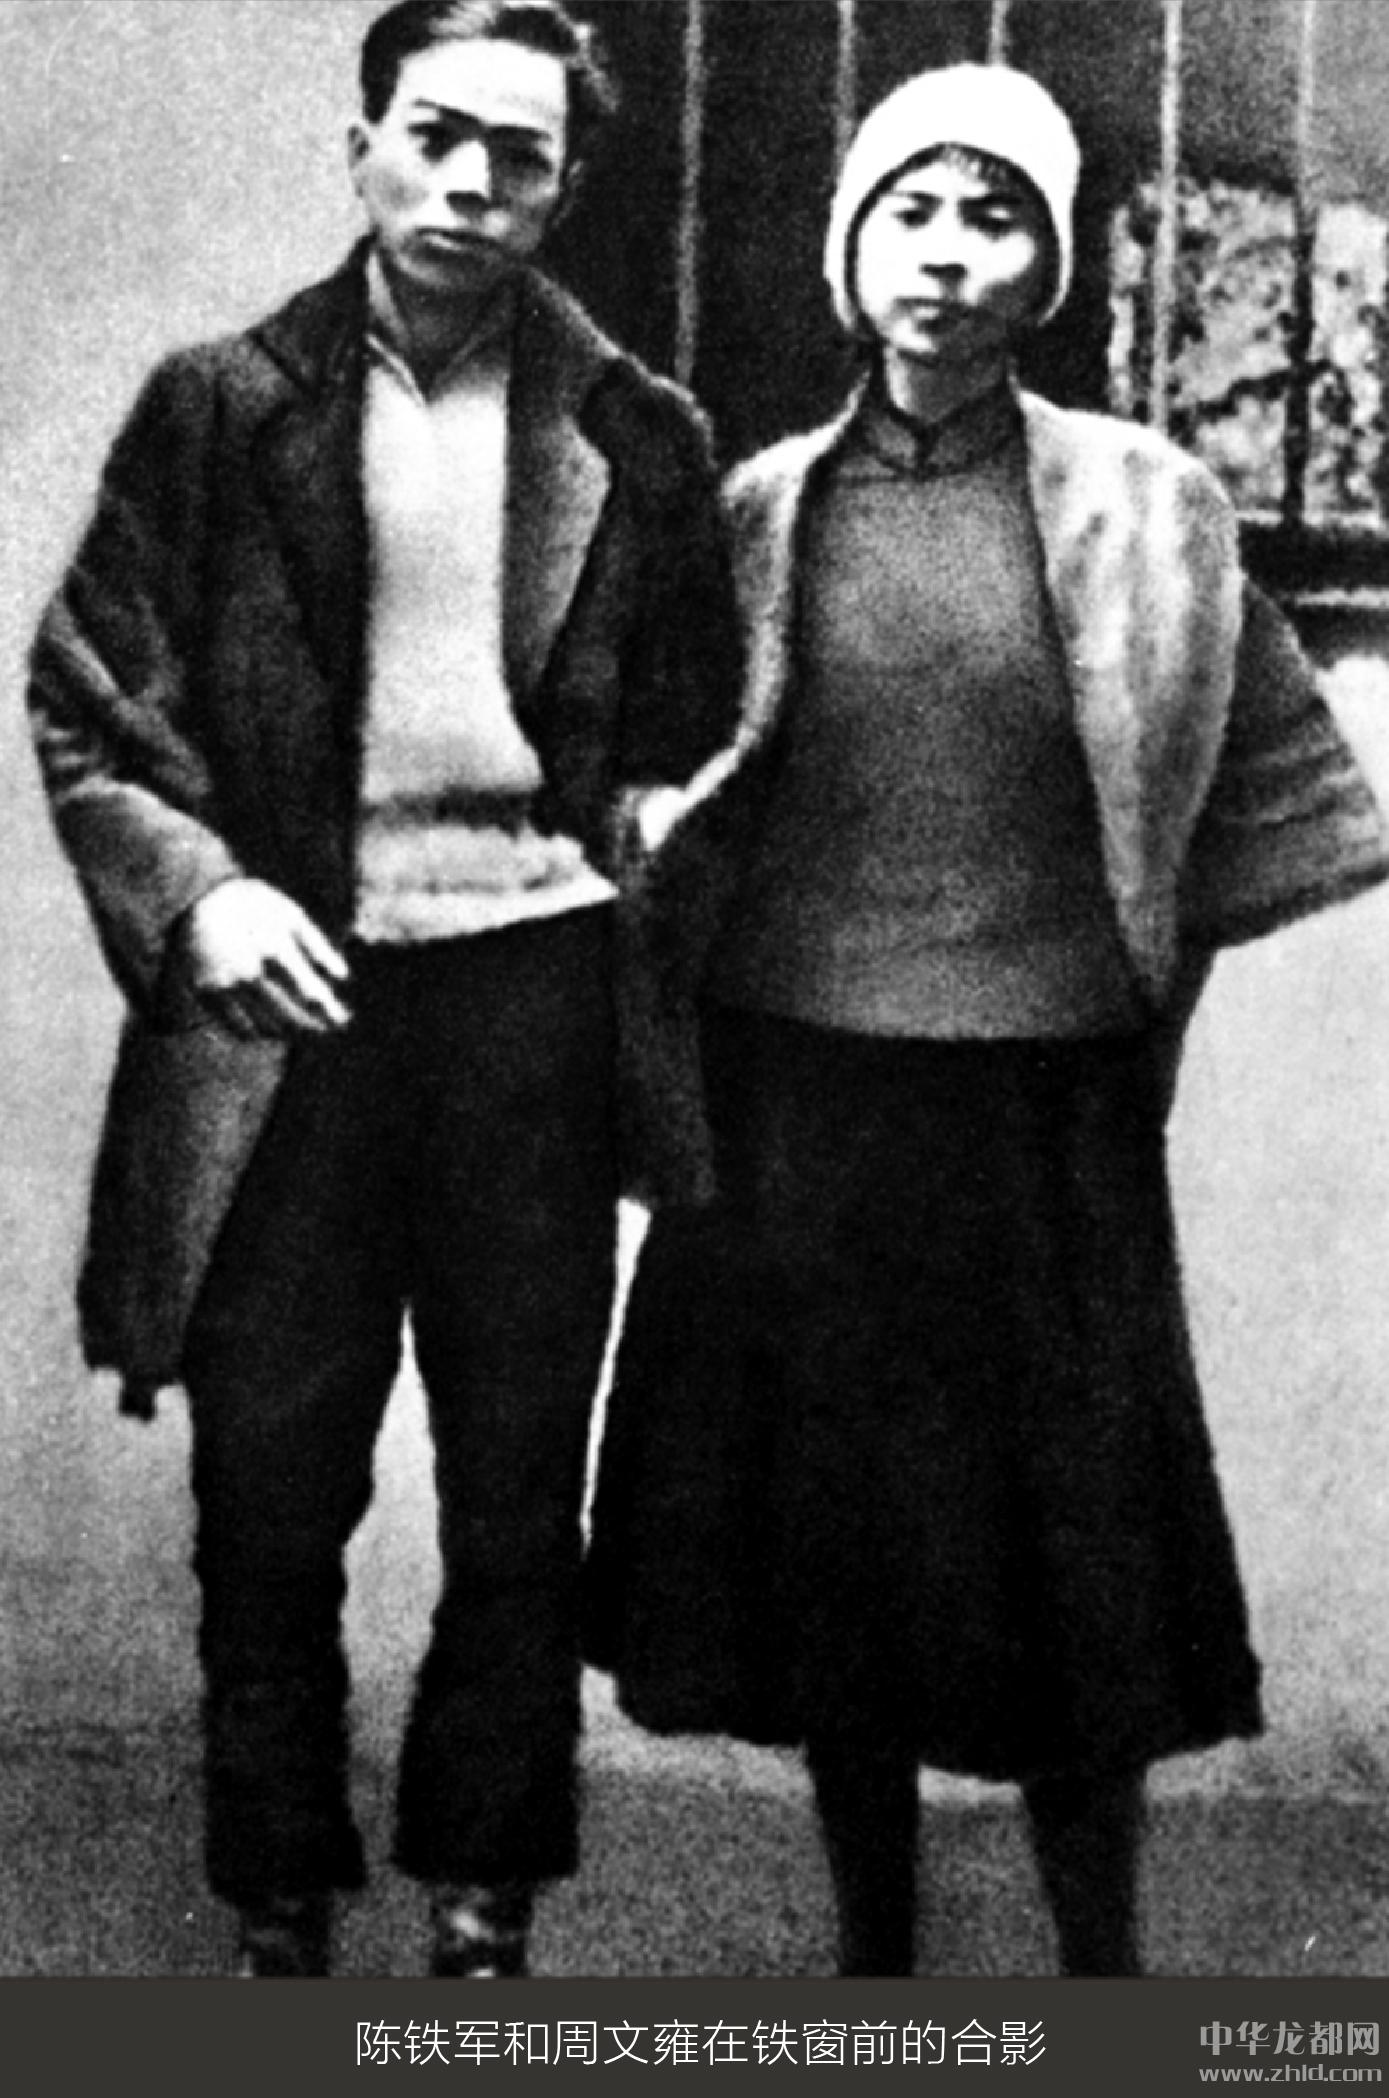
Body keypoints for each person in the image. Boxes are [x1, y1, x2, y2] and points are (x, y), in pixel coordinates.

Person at [584, 63, 1389, 1977]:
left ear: (1050, 263)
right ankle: (877, 1962)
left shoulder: (1157, 508)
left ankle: (1104, 1980)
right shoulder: (756, 512)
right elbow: (656, 789)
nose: (947, 255)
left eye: (996, 214)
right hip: (792, 1108)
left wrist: (1132, 1037)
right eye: (912, 211)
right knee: (835, 1569)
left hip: (1041, 1124)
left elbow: (1244, 813)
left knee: (1071, 1583)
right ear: (846, 248)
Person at [27, 0, 739, 1979]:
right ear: (359, 146)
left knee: (517, 1478)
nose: (466, 182)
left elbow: (689, 724)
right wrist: (203, 899)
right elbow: (88, 699)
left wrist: (660, 820)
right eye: (432, 134)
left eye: (517, 155)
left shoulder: (640, 433)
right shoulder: (216, 408)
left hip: (535, 1008)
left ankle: (484, 1890)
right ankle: (277, 1885)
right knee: (269, 1476)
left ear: (564, 188)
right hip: (292, 1013)